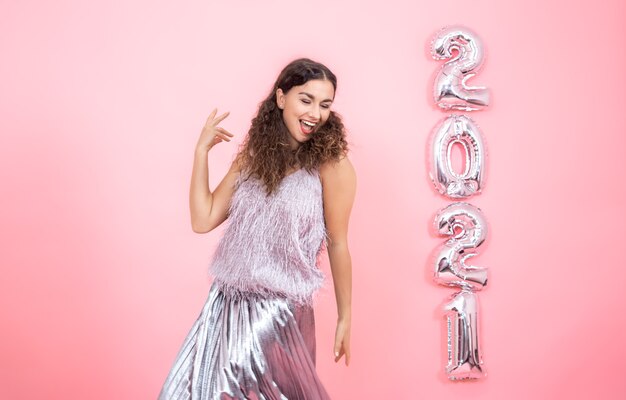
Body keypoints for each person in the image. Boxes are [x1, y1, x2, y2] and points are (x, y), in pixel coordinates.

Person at [158, 58, 356, 400]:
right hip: (224, 303)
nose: (315, 113)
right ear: (281, 98)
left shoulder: (333, 165)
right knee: (190, 390)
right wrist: (201, 152)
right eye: (305, 100)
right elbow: (202, 218)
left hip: (279, 309)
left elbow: (338, 243)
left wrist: (345, 316)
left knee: (228, 389)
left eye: (324, 104)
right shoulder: (253, 156)